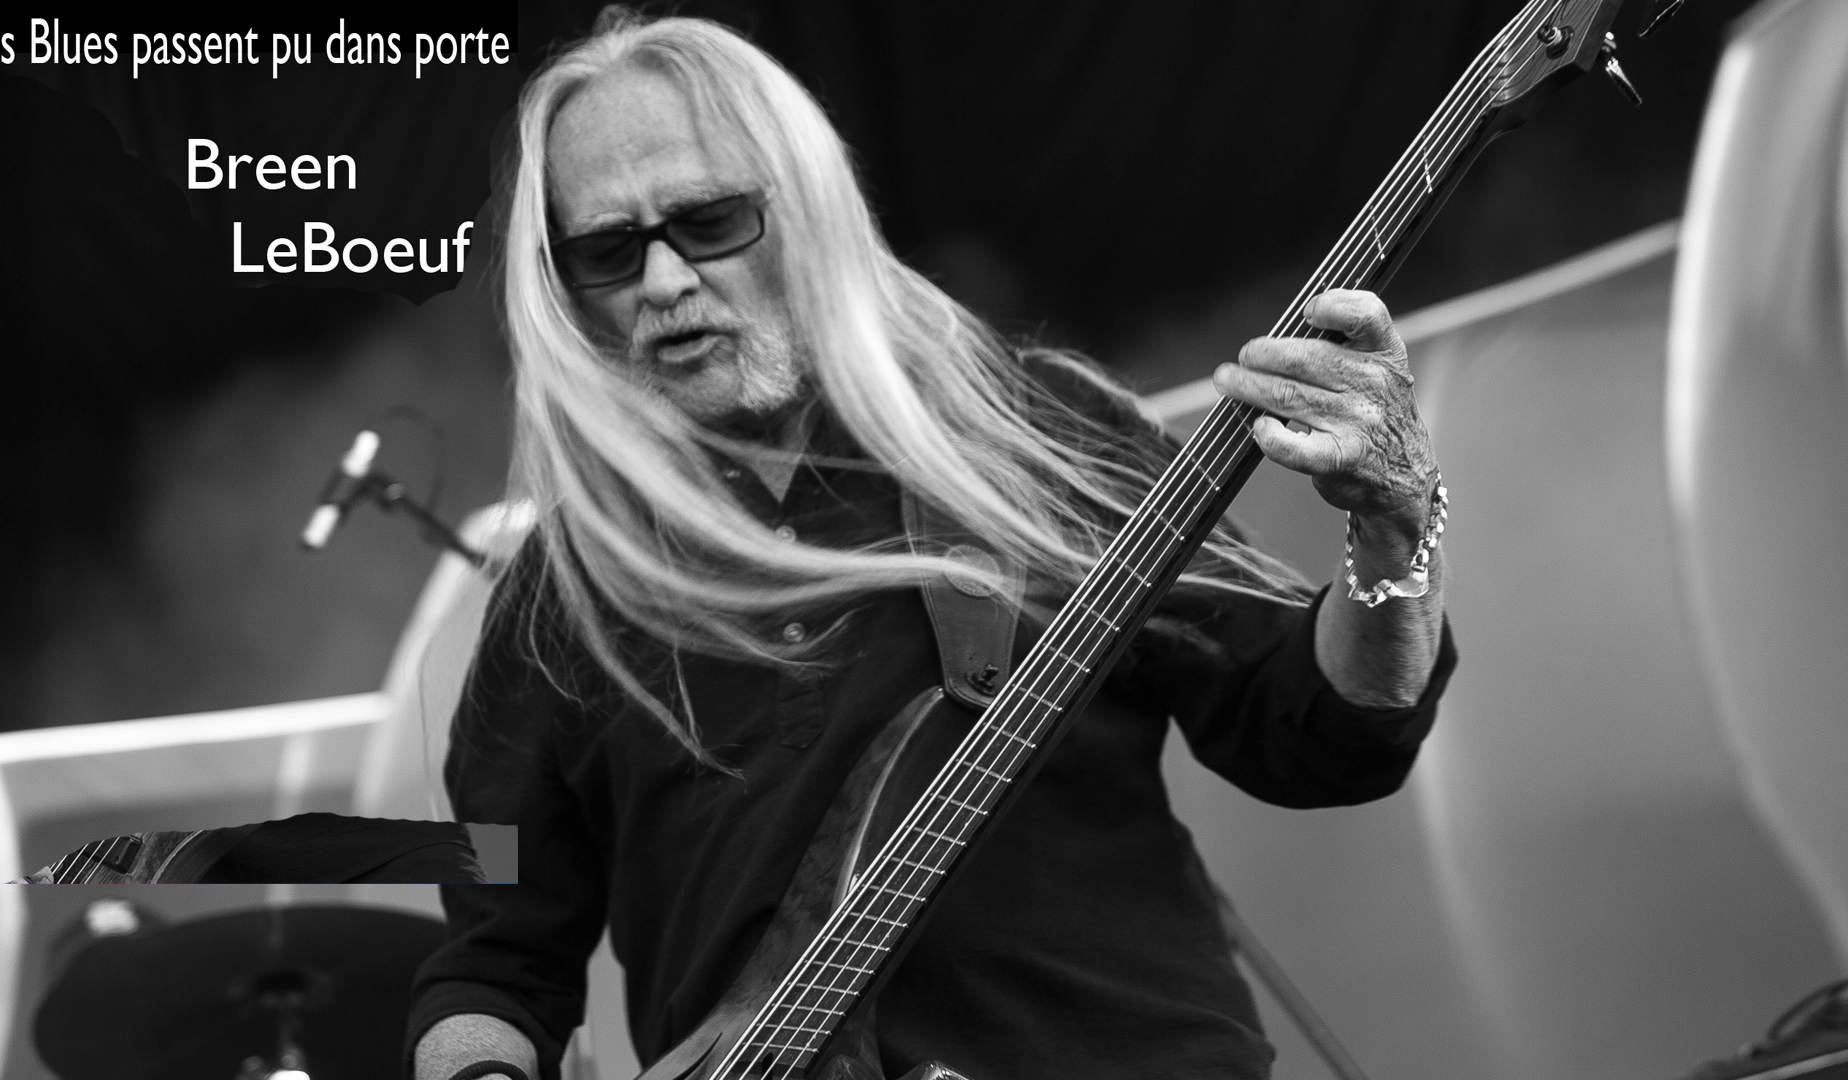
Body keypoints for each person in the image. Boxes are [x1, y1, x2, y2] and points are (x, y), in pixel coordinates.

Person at [407, 9, 1454, 1080]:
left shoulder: (1035, 433)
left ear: (806, 207)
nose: (664, 283)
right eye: (608, 250)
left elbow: (1324, 730)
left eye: (709, 221)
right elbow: (493, 969)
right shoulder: (558, 595)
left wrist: (1395, 523)